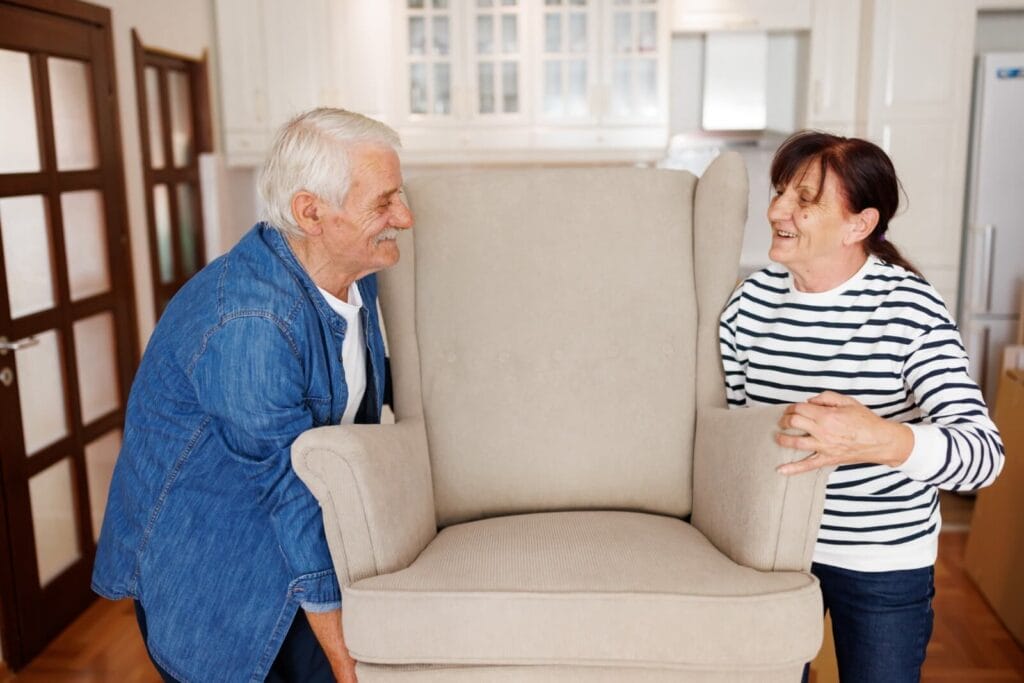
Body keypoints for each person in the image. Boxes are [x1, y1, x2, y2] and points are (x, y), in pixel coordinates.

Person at [92, 108, 414, 682]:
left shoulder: (352, 271)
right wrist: (346, 659)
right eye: (384, 202)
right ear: (310, 212)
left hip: (296, 549)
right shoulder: (250, 323)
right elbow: (288, 492)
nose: (405, 217)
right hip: (215, 571)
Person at [719, 131, 1004, 683]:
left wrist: (877, 438)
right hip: (772, 554)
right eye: (780, 191)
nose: (777, 209)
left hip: (881, 561)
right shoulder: (748, 305)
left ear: (859, 225)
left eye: (804, 199)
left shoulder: (910, 309)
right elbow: (730, 441)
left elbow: (982, 455)